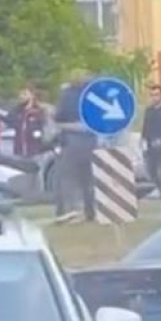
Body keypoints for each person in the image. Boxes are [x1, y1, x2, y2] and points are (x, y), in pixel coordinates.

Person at [54, 71, 96, 223]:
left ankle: (71, 211)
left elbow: (58, 117)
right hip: (94, 140)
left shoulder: (67, 96)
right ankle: (90, 211)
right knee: (89, 180)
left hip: (71, 139)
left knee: (68, 178)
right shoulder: (95, 94)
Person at [7, 86, 47, 159]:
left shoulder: (39, 111)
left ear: (32, 96)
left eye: (24, 94)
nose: (21, 97)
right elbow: (9, 122)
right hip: (19, 150)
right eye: (20, 94)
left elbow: (44, 129)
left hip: (34, 151)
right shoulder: (17, 111)